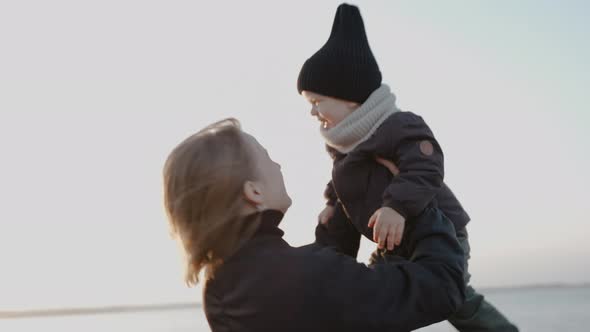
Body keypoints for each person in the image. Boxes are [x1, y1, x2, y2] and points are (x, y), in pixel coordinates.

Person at [297, 3, 518, 331]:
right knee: (377, 294)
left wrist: (397, 206)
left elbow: (425, 167)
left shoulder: (396, 127)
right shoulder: (344, 147)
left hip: (443, 232)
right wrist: (332, 204)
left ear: (349, 96)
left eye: (317, 102)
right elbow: (348, 182)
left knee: (454, 299)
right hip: (395, 241)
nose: (313, 113)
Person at [162, 118, 465, 331]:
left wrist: (344, 206)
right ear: (253, 191)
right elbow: (441, 288)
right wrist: (415, 203)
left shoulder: (221, 287)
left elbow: (321, 298)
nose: (277, 165)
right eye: (267, 158)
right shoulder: (303, 278)